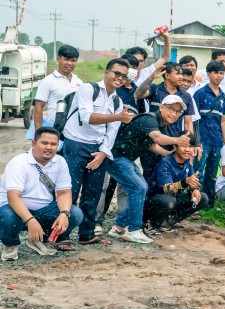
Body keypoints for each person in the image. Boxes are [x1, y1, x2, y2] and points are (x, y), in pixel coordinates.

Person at [60, 58, 134, 245]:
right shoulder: (88, 89)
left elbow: (112, 131)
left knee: (92, 193)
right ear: (106, 72)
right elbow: (86, 117)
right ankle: (62, 236)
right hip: (75, 143)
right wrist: (118, 116)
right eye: (117, 73)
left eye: (124, 76)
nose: (120, 78)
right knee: (71, 190)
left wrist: (103, 153)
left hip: (98, 148)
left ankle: (86, 234)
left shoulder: (117, 101)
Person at [1, 127, 83, 259]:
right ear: (34, 143)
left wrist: (64, 213)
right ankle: (10, 244)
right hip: (16, 211)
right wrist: (30, 220)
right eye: (44, 143)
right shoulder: (19, 163)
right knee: (8, 216)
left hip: (44, 210)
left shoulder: (60, 162)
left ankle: (40, 239)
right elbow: (13, 197)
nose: (49, 147)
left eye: (53, 144)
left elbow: (64, 193)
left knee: (75, 214)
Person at [145, 143, 208, 231]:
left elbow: (192, 181)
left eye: (190, 147)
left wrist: (195, 189)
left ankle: (169, 222)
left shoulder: (187, 163)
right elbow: (166, 189)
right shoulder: (165, 162)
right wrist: (184, 182)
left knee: (202, 198)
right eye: (183, 146)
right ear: (175, 147)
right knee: (169, 200)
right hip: (154, 202)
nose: (187, 149)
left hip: (172, 200)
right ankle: (152, 224)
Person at [193, 60, 225, 205]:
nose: (218, 76)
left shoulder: (223, 97)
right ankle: (195, 202)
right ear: (208, 74)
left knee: (212, 174)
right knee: (198, 172)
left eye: (221, 73)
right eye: (215, 73)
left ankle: (209, 203)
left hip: (217, 141)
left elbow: (223, 121)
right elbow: (193, 119)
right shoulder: (200, 93)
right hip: (202, 140)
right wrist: (196, 141)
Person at [33, 44, 82, 133]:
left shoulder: (79, 82)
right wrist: (38, 133)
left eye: (73, 60)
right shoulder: (48, 81)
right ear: (58, 59)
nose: (70, 63)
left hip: (73, 131)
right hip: (53, 128)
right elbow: (38, 107)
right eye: (66, 59)